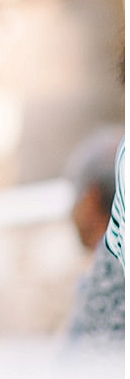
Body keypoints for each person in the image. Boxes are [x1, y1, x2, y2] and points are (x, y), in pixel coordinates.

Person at [64, 130, 125, 346]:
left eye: (74, 197)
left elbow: (72, 372)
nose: (69, 212)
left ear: (91, 199)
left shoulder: (104, 290)